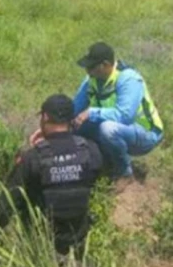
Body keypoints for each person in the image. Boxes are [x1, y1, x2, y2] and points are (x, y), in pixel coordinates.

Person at [0, 94, 104, 258]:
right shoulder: (90, 150)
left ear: (45, 117)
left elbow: (6, 204)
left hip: (43, 245)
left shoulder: (32, 158)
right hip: (79, 243)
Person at [67, 42, 165, 190]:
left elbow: (124, 115)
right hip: (117, 129)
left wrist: (91, 112)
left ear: (105, 65)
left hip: (145, 133)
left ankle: (125, 174)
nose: (87, 71)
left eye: (91, 67)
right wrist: (55, 125)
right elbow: (75, 109)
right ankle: (101, 164)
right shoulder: (91, 80)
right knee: (75, 125)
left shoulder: (128, 79)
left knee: (108, 129)